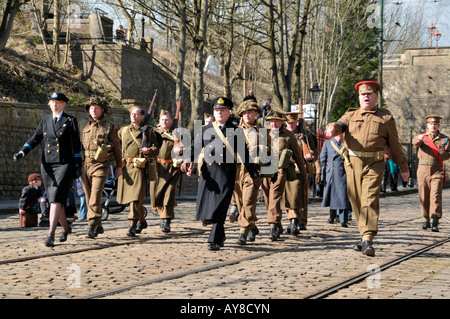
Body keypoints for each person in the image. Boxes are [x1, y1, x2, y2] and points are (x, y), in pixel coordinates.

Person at [325, 81, 409, 256]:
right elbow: (338, 126)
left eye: (369, 94)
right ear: (359, 97)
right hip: (352, 163)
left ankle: (367, 238)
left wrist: (403, 167)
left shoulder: (386, 118)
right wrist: (332, 128)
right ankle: (363, 234)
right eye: (363, 95)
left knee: (369, 199)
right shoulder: (350, 115)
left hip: (375, 163)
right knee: (356, 201)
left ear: (376, 97)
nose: (366, 97)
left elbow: (395, 145)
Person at [181, 97, 260, 251]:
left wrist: (254, 175)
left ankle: (215, 239)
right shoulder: (205, 129)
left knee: (220, 208)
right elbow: (194, 147)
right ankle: (221, 235)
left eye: (222, 110)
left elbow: (244, 155)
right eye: (216, 110)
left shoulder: (236, 131)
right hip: (208, 175)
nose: (219, 113)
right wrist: (186, 159)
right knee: (209, 210)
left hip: (226, 175)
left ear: (229, 113)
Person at [13, 91, 82, 247]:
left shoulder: (70, 120)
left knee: (56, 197)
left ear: (63, 104)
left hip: (64, 164)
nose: (54, 105)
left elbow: (76, 145)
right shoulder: (45, 121)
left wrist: (78, 166)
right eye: (52, 102)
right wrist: (23, 151)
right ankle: (65, 228)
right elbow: (35, 138)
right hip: (48, 165)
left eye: (57, 102)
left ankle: (51, 234)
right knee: (54, 200)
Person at [261, 109, 307, 241]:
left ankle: (273, 226)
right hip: (265, 170)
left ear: (282, 122)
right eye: (271, 121)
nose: (273, 123)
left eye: (277, 121)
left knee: (274, 197)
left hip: (280, 169)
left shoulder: (288, 136)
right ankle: (278, 222)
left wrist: (304, 174)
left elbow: (298, 156)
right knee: (267, 199)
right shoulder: (263, 134)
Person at [81, 96, 122, 238]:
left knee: (95, 194)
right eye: (91, 108)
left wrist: (119, 167)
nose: (93, 110)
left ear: (102, 110)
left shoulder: (109, 126)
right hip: (85, 164)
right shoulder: (84, 126)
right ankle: (98, 224)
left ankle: (91, 225)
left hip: (101, 165)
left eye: (96, 108)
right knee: (88, 196)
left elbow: (117, 148)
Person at [117, 106, 159, 237]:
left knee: (135, 197)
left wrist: (149, 151)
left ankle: (132, 224)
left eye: (136, 114)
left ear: (142, 116)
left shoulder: (148, 131)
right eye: (131, 114)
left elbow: (156, 149)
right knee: (132, 198)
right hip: (125, 167)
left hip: (139, 167)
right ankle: (142, 219)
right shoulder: (123, 130)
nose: (133, 116)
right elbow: (116, 145)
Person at [233, 100, 267, 245]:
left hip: (253, 171)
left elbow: (271, 151)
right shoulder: (234, 130)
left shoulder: (263, 132)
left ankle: (243, 232)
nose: (247, 115)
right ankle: (252, 225)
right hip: (235, 171)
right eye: (244, 113)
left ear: (256, 114)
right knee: (240, 203)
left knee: (248, 201)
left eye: (250, 113)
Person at [413, 115, 449, 232]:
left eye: (435, 124)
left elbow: (447, 156)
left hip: (437, 169)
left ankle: (435, 221)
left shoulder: (445, 139)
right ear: (427, 125)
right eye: (430, 124)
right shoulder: (422, 137)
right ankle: (425, 219)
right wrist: (418, 139)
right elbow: (415, 142)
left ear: (438, 125)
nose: (433, 126)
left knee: (435, 195)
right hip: (423, 169)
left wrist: (443, 153)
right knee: (424, 195)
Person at [150, 109, 182, 233]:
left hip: (171, 168)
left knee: (168, 195)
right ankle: (159, 212)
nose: (164, 122)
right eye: (162, 120)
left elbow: (187, 148)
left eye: (166, 120)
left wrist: (180, 150)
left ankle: (166, 220)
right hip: (157, 168)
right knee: (156, 194)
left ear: (171, 121)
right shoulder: (155, 133)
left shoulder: (178, 134)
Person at [282, 111, 310, 236]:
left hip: (298, 170)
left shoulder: (306, 136)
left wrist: (309, 154)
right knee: (287, 198)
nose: (290, 125)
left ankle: (296, 221)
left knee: (297, 197)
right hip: (285, 169)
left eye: (292, 123)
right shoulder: (283, 135)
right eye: (288, 123)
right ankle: (293, 221)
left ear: (297, 122)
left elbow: (313, 153)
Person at [320, 133, 351, 227]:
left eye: (341, 134)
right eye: (338, 134)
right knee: (332, 196)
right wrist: (322, 174)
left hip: (343, 173)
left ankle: (343, 219)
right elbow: (323, 159)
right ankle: (332, 216)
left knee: (342, 197)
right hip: (331, 173)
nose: (340, 136)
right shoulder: (328, 143)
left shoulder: (347, 143)